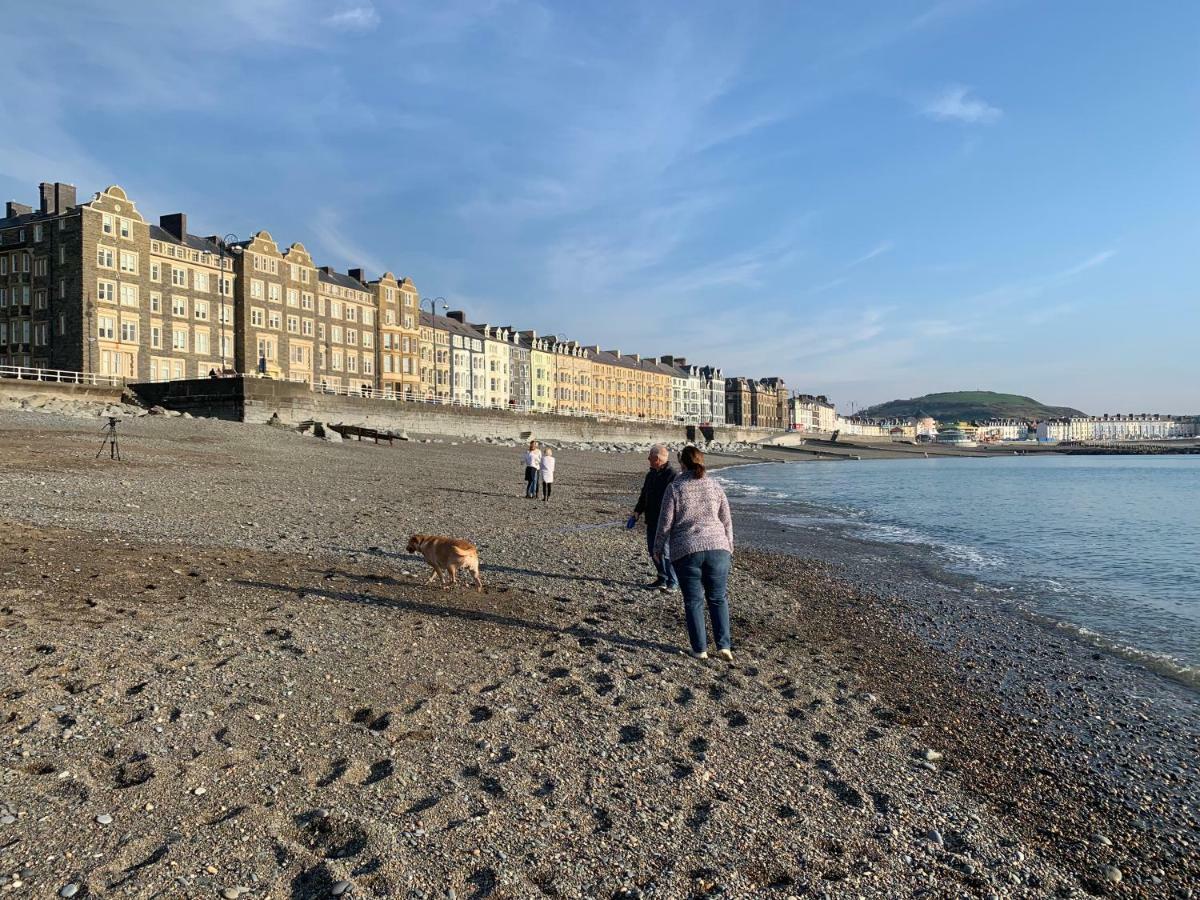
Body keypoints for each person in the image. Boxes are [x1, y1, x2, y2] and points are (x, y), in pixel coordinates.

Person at [653, 446, 734, 661]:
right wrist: (729, 545)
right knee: (718, 598)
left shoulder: (676, 487)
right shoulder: (715, 485)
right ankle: (724, 646)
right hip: (718, 547)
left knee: (693, 601)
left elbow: (664, 523)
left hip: (687, 549)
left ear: (683, 464)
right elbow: (726, 520)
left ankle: (700, 650)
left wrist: (658, 549)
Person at [631, 444, 677, 592]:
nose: (648, 459)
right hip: (651, 519)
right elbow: (644, 495)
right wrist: (637, 512)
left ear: (657, 459)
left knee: (665, 551)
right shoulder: (650, 475)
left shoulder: (673, 475)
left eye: (650, 456)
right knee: (652, 550)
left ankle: (672, 581)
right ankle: (661, 578)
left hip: (666, 522)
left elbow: (676, 501)